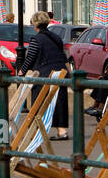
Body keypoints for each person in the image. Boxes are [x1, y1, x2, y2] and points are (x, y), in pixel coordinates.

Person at [18, 11, 70, 140]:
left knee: (39, 101)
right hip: (60, 72)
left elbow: (30, 57)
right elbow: (64, 57)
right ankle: (62, 131)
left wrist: (22, 71)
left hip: (44, 73)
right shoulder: (56, 37)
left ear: (34, 24)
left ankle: (37, 131)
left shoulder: (36, 39)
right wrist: (69, 72)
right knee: (59, 101)